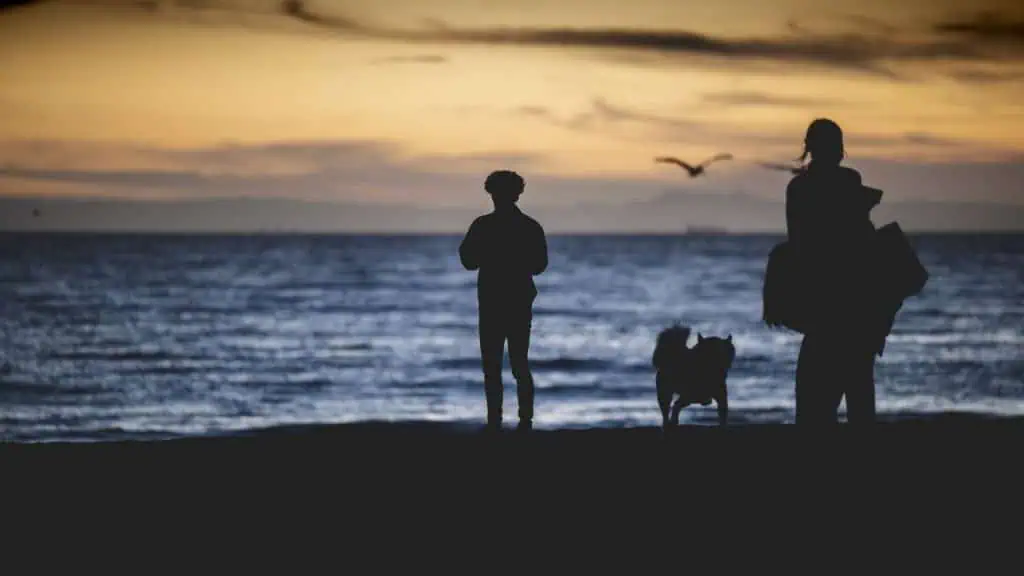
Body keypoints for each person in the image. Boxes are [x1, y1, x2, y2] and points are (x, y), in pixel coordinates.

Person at [785, 118, 887, 425]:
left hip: (820, 303)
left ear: (809, 148)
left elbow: (798, 243)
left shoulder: (799, 187)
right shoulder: (849, 181)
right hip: (855, 302)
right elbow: (861, 237)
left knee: (813, 405)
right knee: (859, 398)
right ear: (838, 149)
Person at [459, 170, 548, 432]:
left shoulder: (483, 226)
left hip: (494, 302)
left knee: (495, 366)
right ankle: (523, 422)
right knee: (518, 364)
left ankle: (498, 422)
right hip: (514, 301)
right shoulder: (529, 226)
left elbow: (467, 261)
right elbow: (539, 265)